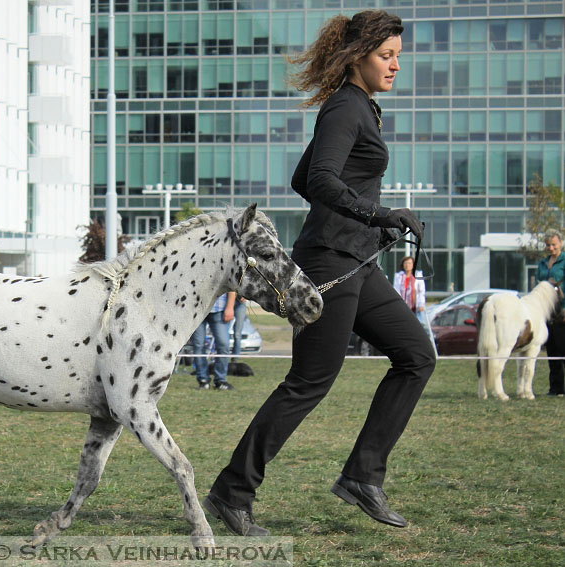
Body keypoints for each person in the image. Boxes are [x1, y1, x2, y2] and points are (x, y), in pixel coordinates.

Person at [202, 11, 435, 535]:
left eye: (398, 54)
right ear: (360, 56)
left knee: (417, 355)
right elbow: (322, 178)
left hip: (356, 260)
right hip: (332, 263)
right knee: (308, 383)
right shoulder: (345, 108)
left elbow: (303, 179)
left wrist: (370, 229)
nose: (397, 65)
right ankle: (231, 492)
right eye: (387, 55)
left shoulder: (361, 109)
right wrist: (379, 215)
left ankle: (362, 477)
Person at [189, 292, 236, 390]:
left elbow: (231, 287)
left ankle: (220, 380)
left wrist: (230, 307)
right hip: (197, 310)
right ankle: (203, 380)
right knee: (198, 345)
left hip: (219, 309)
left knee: (224, 345)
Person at [538, 229, 565, 397]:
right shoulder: (542, 263)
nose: (551, 248)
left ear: (560, 243)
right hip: (546, 313)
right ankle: (555, 388)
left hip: (562, 311)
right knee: (552, 351)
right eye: (548, 245)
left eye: (554, 244)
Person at [393, 256, 426, 324]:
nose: (407, 265)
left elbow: (421, 291)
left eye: (409, 263)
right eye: (406, 263)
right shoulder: (399, 276)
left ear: (413, 265)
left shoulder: (418, 275)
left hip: (415, 308)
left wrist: (421, 304)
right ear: (403, 265)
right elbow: (396, 291)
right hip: (403, 307)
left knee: (418, 325)